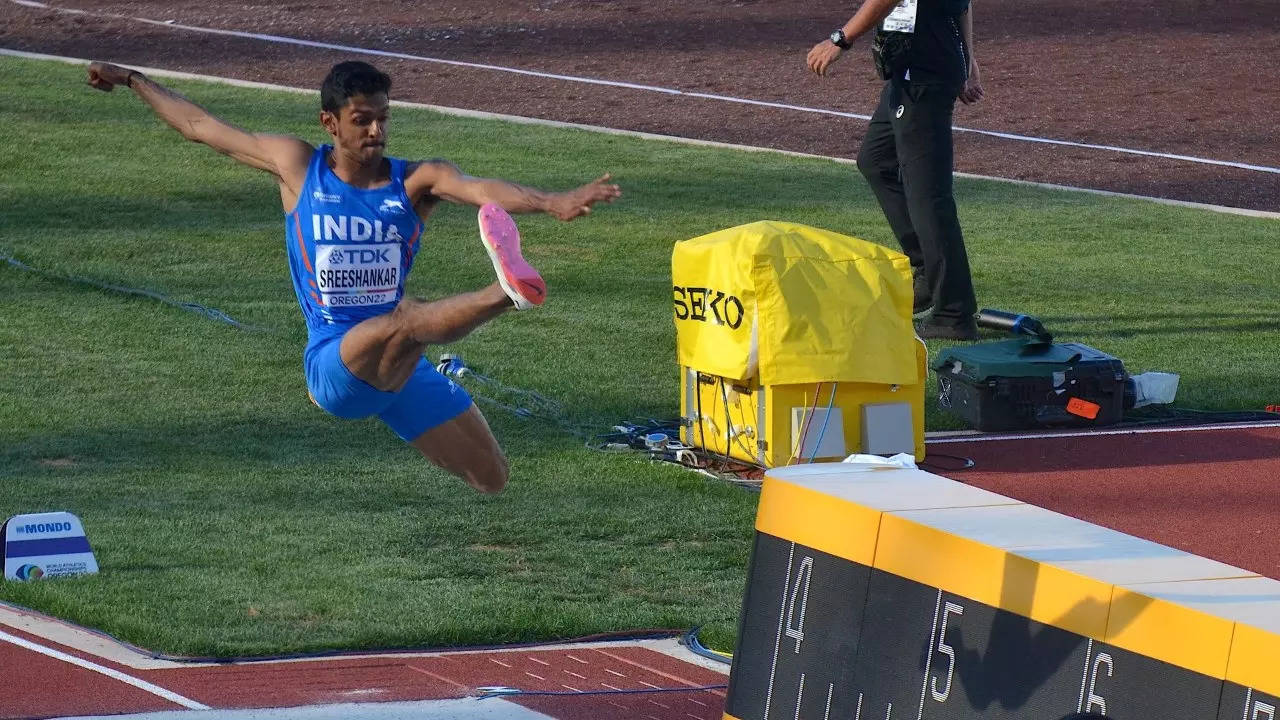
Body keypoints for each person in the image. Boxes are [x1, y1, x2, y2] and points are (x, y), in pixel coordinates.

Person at [86, 60, 621, 493]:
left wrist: (552, 202)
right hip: (334, 363)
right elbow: (200, 127)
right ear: (330, 123)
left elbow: (481, 190)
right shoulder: (297, 166)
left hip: (402, 370)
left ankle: (507, 288)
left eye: (384, 118)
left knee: (492, 478)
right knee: (406, 319)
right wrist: (133, 79)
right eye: (363, 118)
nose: (377, 130)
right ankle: (508, 291)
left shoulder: (415, 181)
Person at [807, 0, 984, 340]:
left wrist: (840, 39)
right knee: (876, 160)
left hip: (923, 75)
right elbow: (962, 5)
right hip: (912, 73)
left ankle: (953, 312)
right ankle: (926, 269)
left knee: (929, 197)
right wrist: (967, 59)